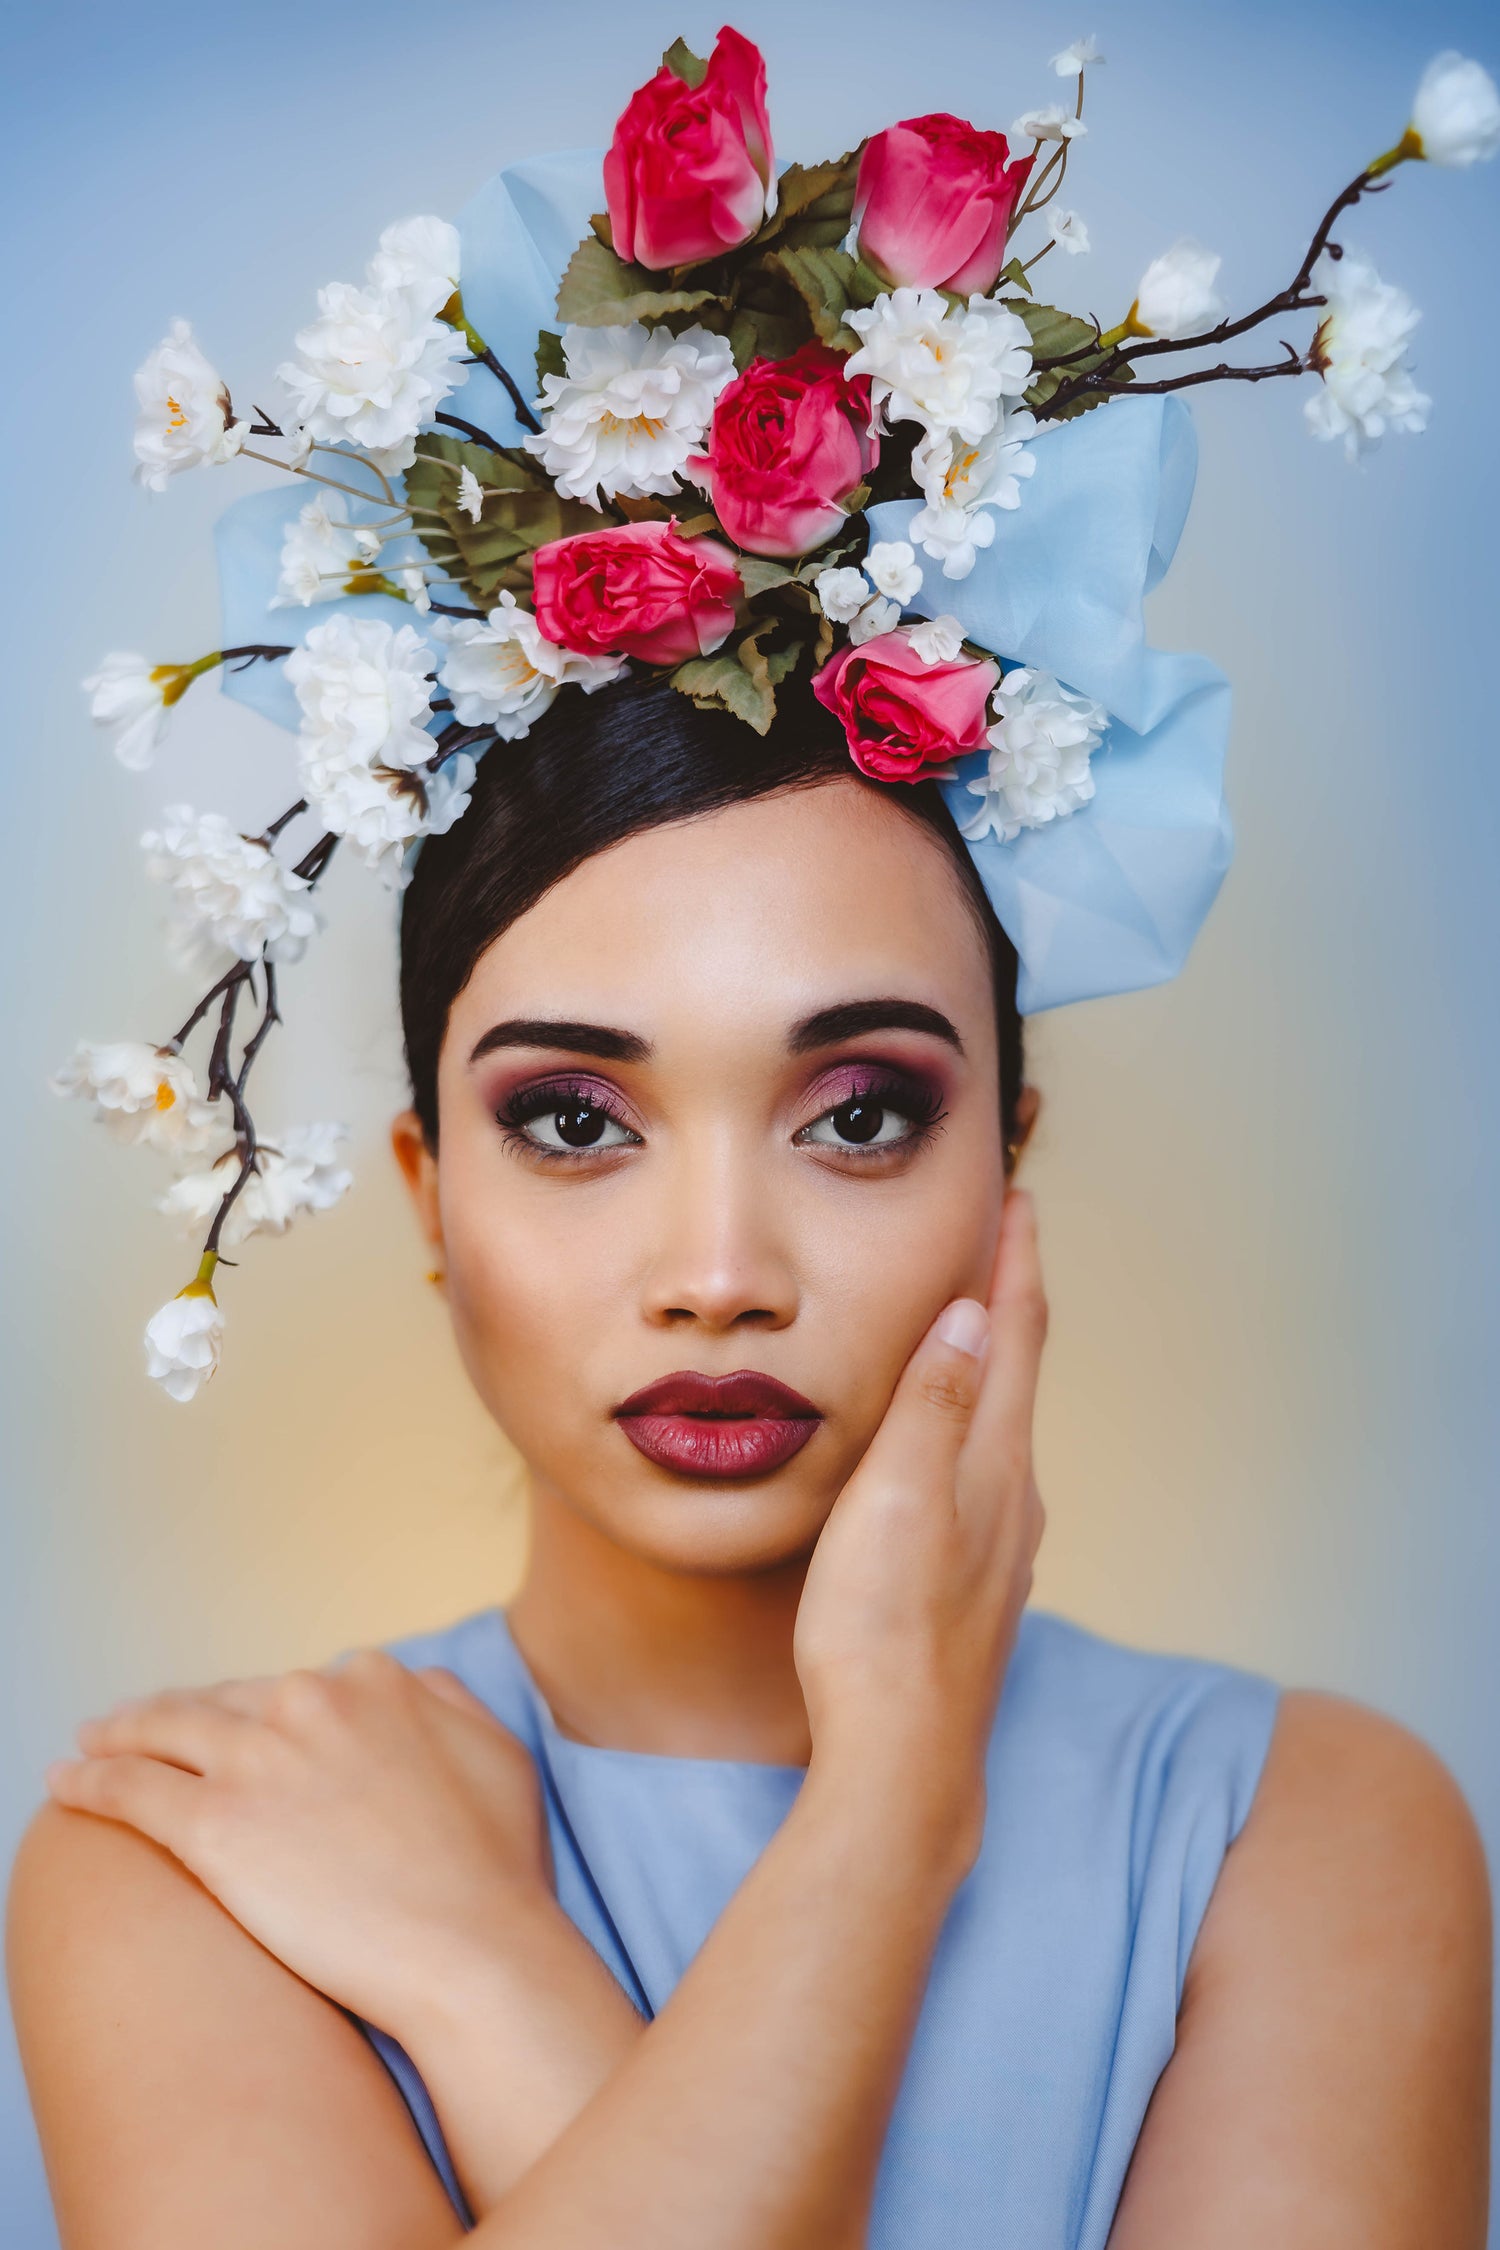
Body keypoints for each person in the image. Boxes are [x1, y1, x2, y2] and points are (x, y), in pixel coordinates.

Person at [7, 676, 1492, 2248]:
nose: (719, 1271)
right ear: (428, 1194)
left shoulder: (1302, 1827)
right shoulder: (208, 1843)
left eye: (858, 1114)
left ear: (1009, 1167)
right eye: (575, 1120)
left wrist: (517, 1963)